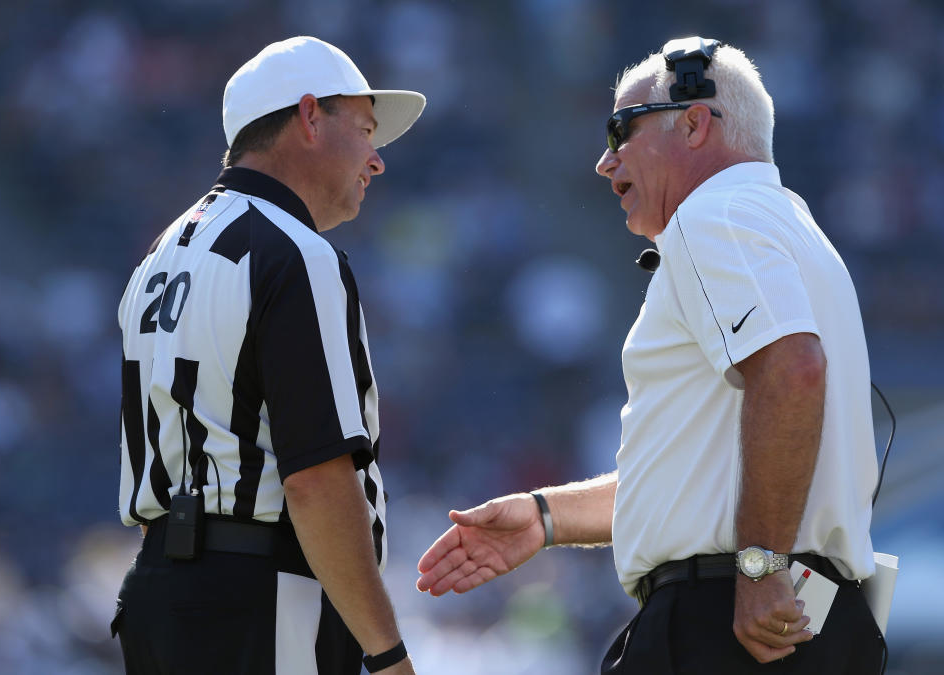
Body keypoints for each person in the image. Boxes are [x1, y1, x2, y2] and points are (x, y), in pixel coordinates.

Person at [416, 37, 885, 674]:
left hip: (730, 622)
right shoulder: (789, 229)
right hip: (802, 618)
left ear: (694, 123)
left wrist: (759, 567)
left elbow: (792, 370)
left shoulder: (713, 214)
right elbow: (703, 482)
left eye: (620, 131)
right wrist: (546, 518)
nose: (605, 163)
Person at [114, 36, 425, 675]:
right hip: (266, 593)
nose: (376, 160)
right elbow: (314, 479)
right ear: (309, 117)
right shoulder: (295, 253)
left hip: (157, 590)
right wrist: (388, 654)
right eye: (365, 130)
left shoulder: (160, 254)